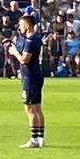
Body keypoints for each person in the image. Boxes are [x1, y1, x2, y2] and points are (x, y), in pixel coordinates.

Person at [13, 11, 46, 148]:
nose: (19, 28)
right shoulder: (37, 38)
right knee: (37, 107)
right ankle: (40, 137)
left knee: (30, 108)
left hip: (30, 77)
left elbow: (24, 60)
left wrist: (15, 52)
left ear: (27, 25)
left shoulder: (30, 40)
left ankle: (34, 139)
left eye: (21, 25)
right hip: (37, 75)